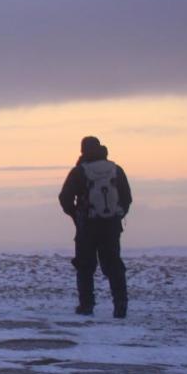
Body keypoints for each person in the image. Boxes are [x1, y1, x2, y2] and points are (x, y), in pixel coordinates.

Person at [58, 136, 132, 317]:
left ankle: (86, 306)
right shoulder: (115, 169)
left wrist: (76, 215)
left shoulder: (79, 171)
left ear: (83, 150)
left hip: (87, 226)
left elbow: (64, 198)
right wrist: (118, 215)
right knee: (114, 265)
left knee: (85, 266)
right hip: (111, 226)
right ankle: (120, 306)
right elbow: (126, 198)